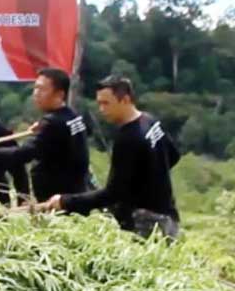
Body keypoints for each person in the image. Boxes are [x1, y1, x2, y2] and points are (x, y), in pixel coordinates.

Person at [42, 75, 180, 238]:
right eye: (99, 103)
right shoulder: (149, 120)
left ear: (125, 100)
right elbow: (173, 155)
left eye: (106, 103)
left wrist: (65, 201)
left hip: (146, 224)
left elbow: (112, 193)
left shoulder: (128, 138)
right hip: (169, 217)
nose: (101, 109)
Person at [0, 68, 89, 201]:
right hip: (76, 193)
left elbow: (23, 154)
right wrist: (43, 131)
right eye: (35, 88)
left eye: (41, 89)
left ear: (59, 94)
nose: (35, 94)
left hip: (59, 200)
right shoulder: (71, 116)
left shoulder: (53, 123)